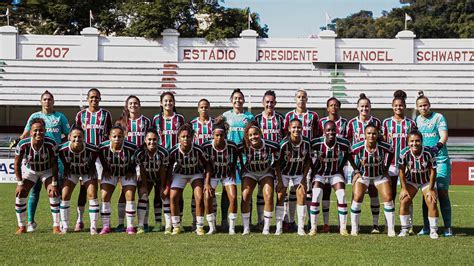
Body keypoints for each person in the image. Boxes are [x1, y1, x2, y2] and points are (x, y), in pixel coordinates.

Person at [15, 90, 70, 233]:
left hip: (52, 158)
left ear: (53, 101)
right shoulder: (35, 116)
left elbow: (67, 135)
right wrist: (19, 140)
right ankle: (30, 222)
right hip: (33, 162)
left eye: (49, 99)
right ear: (41, 102)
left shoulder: (60, 117)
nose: (47, 101)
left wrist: (61, 146)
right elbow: (26, 133)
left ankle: (58, 224)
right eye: (44, 99)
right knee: (34, 191)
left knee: (54, 190)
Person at [415, 91, 452, 237]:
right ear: (417, 108)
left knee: (442, 192)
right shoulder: (417, 120)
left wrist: (437, 146)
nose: (423, 108)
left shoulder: (438, 117)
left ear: (429, 105)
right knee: (427, 193)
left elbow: (444, 135)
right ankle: (426, 227)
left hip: (441, 160)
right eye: (420, 106)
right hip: (425, 163)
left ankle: (448, 227)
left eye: (425, 105)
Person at [75, 88, 112, 232]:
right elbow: (76, 133)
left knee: (103, 187)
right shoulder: (81, 115)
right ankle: (80, 219)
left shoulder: (105, 114)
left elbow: (110, 134)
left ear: (100, 99)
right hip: (85, 155)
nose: (94, 100)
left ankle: (104, 222)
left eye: (96, 97)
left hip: (101, 155)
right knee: (83, 188)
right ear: (87, 99)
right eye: (91, 97)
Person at [14, 118, 60, 234]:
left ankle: (56, 226)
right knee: (21, 193)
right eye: (35, 130)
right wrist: (19, 183)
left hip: (47, 170)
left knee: (53, 193)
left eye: (41, 130)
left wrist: (54, 183)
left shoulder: (51, 143)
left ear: (45, 131)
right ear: (30, 132)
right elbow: (17, 164)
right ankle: (22, 226)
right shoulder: (23, 144)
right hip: (31, 171)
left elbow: (54, 165)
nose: (38, 133)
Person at [350, 124, 395, 237]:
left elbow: (391, 152)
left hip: (378, 176)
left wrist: (386, 168)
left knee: (388, 197)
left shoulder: (383, 146)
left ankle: (390, 229)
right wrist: (356, 170)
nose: (371, 136)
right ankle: (354, 228)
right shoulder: (358, 146)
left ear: (377, 134)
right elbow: (348, 155)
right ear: (364, 135)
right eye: (369, 133)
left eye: (374, 133)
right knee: (357, 197)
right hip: (363, 176)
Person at [283, 89, 319, 232]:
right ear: (295, 99)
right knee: (291, 190)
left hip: (306, 157)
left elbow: (316, 135)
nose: (301, 99)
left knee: (306, 190)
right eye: (299, 97)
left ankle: (309, 221)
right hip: (291, 158)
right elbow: (285, 134)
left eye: (304, 97)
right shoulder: (289, 115)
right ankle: (290, 220)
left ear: (307, 99)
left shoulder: (313, 116)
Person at [347, 93, 382, 234]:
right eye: (362, 106)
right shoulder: (352, 124)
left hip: (374, 164)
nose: (364, 109)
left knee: (374, 192)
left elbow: (381, 143)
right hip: (357, 165)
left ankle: (375, 225)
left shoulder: (376, 122)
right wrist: (354, 168)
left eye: (367, 106)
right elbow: (348, 142)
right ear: (357, 108)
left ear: (370, 107)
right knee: (357, 194)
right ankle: (355, 225)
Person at [115, 96, 151, 232]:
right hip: (125, 162)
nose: (133, 105)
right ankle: (120, 223)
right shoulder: (121, 122)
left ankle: (143, 223)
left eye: (135, 103)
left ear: (139, 105)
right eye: (130, 103)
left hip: (142, 162)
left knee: (143, 192)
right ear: (126, 106)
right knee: (124, 192)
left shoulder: (146, 122)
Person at [382, 90, 416, 232]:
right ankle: (388, 225)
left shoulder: (410, 123)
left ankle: (409, 225)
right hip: (390, 165)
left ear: (404, 106)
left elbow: (415, 143)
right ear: (392, 106)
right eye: (396, 105)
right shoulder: (386, 123)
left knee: (407, 196)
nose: (398, 108)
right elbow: (383, 143)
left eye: (401, 105)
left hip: (406, 165)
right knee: (389, 195)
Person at [310, 120, 352, 236]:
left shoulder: (343, 143)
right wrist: (314, 169)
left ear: (336, 131)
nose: (331, 132)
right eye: (328, 130)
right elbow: (308, 156)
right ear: (324, 131)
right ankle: (313, 228)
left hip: (335, 173)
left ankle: (343, 228)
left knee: (342, 195)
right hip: (320, 173)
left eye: (333, 130)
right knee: (316, 194)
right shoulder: (316, 143)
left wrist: (341, 165)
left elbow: (349, 154)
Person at [152, 91, 185, 234]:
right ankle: (160, 222)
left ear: (174, 103)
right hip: (160, 160)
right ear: (161, 103)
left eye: (170, 101)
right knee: (160, 190)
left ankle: (179, 222)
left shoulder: (179, 118)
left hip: (177, 159)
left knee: (178, 191)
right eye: (165, 101)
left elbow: (184, 137)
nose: (168, 103)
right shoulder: (156, 119)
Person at [239, 121, 279, 235]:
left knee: (269, 195)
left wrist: (274, 169)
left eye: (255, 134)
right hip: (250, 172)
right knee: (245, 195)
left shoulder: (271, 145)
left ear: (260, 133)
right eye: (250, 135)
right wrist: (242, 167)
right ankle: (246, 228)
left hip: (265, 172)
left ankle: (266, 227)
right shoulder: (244, 145)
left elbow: (278, 156)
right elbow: (235, 152)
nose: (253, 137)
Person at [222, 89, 254, 230]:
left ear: (243, 101)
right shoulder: (225, 116)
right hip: (229, 158)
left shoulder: (249, 116)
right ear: (231, 100)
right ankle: (224, 220)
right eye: (235, 98)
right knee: (226, 191)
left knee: (248, 189)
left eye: (240, 98)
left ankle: (248, 221)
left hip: (246, 158)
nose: (238, 100)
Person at [58, 126, 100, 234]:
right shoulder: (62, 149)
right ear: (69, 137)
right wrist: (66, 168)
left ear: (83, 137)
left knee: (92, 195)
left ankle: (93, 227)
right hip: (72, 172)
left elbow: (96, 154)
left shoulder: (91, 148)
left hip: (87, 171)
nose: (77, 139)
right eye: (74, 137)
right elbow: (60, 157)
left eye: (80, 137)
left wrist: (91, 168)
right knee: (65, 195)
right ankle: (65, 226)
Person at [398, 130, 439, 239]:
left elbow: (433, 171)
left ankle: (433, 230)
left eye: (417, 141)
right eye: (411, 141)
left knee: (431, 201)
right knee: (404, 200)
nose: (414, 143)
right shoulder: (404, 153)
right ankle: (404, 229)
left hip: (426, 181)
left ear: (421, 141)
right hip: (412, 181)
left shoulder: (429, 153)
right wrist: (403, 188)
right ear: (408, 142)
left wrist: (430, 189)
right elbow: (401, 171)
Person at [167, 124, 207, 235]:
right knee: (173, 196)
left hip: (195, 173)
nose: (186, 139)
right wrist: (167, 184)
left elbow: (207, 164)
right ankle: (176, 226)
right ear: (179, 137)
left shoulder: (198, 150)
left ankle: (199, 226)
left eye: (188, 136)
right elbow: (169, 167)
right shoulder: (174, 150)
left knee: (199, 196)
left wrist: (207, 182)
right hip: (180, 173)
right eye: (183, 136)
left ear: (192, 137)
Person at [316, 97, 348, 233]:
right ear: (327, 108)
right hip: (322, 166)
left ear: (339, 107)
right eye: (331, 105)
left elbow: (347, 142)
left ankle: (342, 227)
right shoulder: (320, 122)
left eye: (336, 105)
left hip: (338, 164)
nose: (333, 107)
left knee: (339, 192)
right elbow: (317, 141)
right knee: (325, 193)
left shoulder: (345, 123)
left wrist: (342, 164)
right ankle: (325, 224)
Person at [97, 125, 137, 235]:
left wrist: (132, 169)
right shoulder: (102, 147)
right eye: (114, 136)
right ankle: (106, 226)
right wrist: (104, 169)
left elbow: (138, 159)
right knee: (104, 195)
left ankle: (130, 226)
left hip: (126, 173)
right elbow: (97, 158)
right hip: (111, 173)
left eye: (120, 136)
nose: (117, 139)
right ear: (109, 137)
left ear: (124, 137)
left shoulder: (131, 147)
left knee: (130, 195)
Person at [201, 119, 239, 234]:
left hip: (226, 174)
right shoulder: (206, 146)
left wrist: (232, 170)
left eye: (221, 135)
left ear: (225, 135)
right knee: (207, 196)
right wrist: (207, 183)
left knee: (233, 197)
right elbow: (207, 165)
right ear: (213, 135)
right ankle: (212, 227)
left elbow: (235, 156)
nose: (219, 138)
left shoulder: (232, 146)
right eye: (216, 135)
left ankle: (231, 227)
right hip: (212, 175)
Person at [275, 118, 311, 236]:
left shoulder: (306, 143)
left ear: (302, 129)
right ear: (289, 129)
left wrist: (304, 178)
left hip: (298, 173)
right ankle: (279, 227)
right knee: (280, 196)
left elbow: (308, 161)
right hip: (284, 173)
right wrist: (280, 180)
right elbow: (277, 164)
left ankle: (300, 228)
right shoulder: (284, 144)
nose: (296, 129)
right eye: (294, 127)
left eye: (299, 127)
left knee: (301, 194)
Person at [255, 90, 285, 229]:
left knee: (280, 190)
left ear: (275, 103)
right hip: (262, 159)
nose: (269, 104)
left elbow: (285, 137)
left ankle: (283, 221)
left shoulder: (280, 118)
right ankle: (261, 221)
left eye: (272, 102)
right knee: (262, 191)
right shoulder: (257, 119)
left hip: (278, 160)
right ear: (263, 103)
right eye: (267, 102)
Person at [134, 129, 169, 234]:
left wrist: (162, 186)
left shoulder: (163, 152)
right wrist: (144, 184)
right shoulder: (139, 153)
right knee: (143, 195)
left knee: (161, 196)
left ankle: (161, 224)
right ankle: (141, 225)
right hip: (147, 176)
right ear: (145, 140)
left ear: (158, 140)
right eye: (149, 139)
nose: (152, 142)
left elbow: (163, 171)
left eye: (154, 139)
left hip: (159, 177)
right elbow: (142, 170)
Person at [190, 98, 214, 229]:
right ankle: (195, 220)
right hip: (196, 163)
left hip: (212, 162)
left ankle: (213, 220)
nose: (204, 109)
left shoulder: (214, 123)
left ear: (209, 108)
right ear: (198, 109)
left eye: (206, 107)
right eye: (202, 107)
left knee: (211, 193)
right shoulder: (193, 124)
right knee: (196, 194)